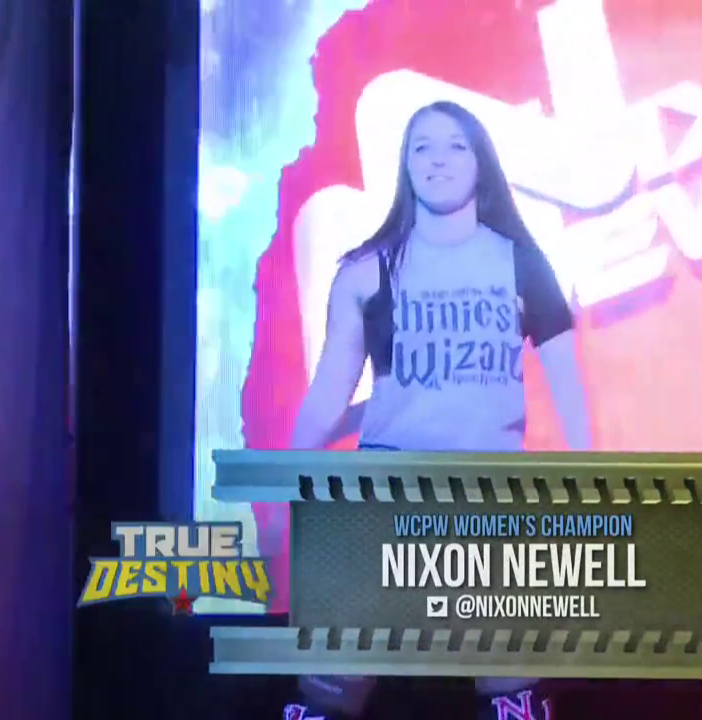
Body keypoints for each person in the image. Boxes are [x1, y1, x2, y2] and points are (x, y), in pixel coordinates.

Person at [272, 99, 592, 720]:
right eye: (422, 146)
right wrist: (278, 487)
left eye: (455, 146)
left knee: (509, 673)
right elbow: (328, 395)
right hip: (386, 494)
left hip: (489, 496)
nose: (438, 159)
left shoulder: (521, 263)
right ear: (405, 163)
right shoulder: (365, 272)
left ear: (480, 163)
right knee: (334, 677)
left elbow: (568, 391)